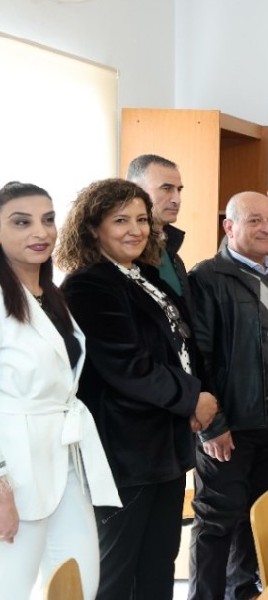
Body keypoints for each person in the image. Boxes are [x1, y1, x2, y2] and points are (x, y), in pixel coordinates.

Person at [56, 178, 215, 600]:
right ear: (93, 228)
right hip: (125, 452)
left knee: (159, 562)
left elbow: (182, 346)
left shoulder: (143, 275)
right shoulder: (88, 285)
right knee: (117, 570)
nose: (135, 230)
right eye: (120, 220)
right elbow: (129, 366)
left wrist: (198, 395)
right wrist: (192, 398)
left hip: (163, 445)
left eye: (142, 219)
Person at [0, 182, 119, 600]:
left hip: (65, 456)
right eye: (22, 222)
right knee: (11, 587)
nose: (40, 231)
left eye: (48, 220)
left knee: (79, 582)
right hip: (14, 465)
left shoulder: (50, 295)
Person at [187, 192, 268, 600]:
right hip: (229, 424)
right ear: (229, 227)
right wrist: (212, 426)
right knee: (217, 521)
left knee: (252, 517)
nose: (266, 229)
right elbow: (199, 358)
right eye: (255, 220)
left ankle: (241, 594)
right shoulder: (208, 277)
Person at [127, 154, 191, 305]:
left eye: (179, 190)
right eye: (166, 188)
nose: (177, 199)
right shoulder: (124, 253)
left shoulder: (173, 254)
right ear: (136, 190)